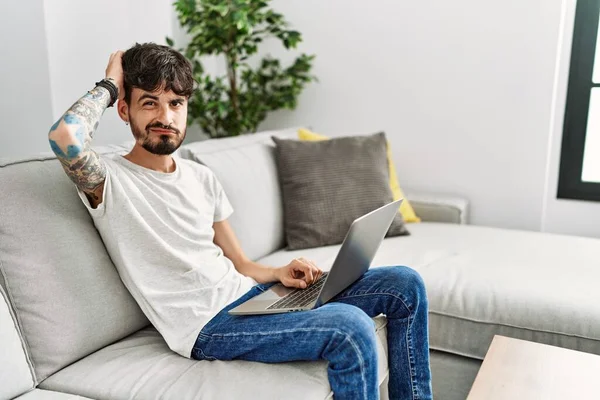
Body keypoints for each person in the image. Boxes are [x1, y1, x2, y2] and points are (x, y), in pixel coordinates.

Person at [47, 42, 433, 399]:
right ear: (124, 109)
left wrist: (280, 273)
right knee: (350, 328)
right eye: (150, 103)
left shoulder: (200, 177)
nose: (165, 117)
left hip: (248, 299)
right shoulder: (109, 180)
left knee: (405, 285)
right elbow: (66, 136)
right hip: (206, 327)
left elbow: (241, 264)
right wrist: (110, 84)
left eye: (176, 103)